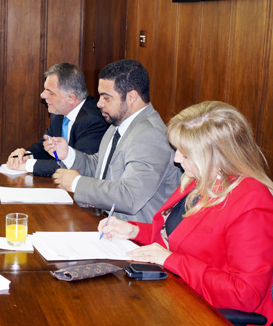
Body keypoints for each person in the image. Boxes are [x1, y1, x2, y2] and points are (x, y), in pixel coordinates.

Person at [99, 101, 273, 324]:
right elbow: (177, 238)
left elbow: (244, 295)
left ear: (216, 157)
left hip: (213, 313)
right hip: (179, 296)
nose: (176, 159)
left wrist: (172, 260)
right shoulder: (198, 180)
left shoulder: (252, 202)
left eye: (186, 154)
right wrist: (133, 231)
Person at [51, 59, 179, 222]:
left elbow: (129, 196)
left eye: (107, 98)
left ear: (132, 96)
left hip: (134, 231)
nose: (99, 104)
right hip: (105, 221)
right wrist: (68, 155)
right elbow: (100, 168)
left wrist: (77, 183)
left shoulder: (151, 136)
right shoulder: (117, 124)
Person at [7, 63, 107, 177]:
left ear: (71, 98)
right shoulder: (59, 111)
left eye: (50, 92)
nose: (42, 95)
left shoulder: (93, 121)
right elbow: (45, 146)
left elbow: (75, 167)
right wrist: (26, 156)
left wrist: (28, 165)